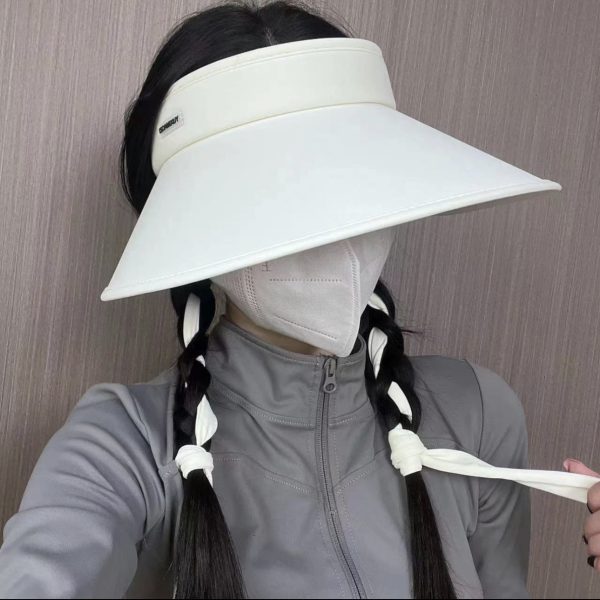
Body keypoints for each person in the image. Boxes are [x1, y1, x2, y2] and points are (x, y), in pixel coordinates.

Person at [0, 1, 594, 598]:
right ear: (187, 225)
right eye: (278, 192)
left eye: (351, 175)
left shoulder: (476, 413)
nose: (332, 231)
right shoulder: (126, 445)